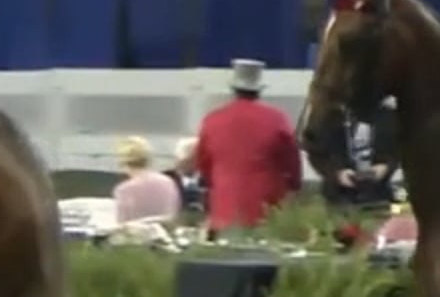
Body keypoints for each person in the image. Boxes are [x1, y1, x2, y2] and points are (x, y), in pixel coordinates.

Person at [194, 59, 303, 234]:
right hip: (265, 211)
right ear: (258, 91)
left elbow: (204, 166)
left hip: (223, 211)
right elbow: (292, 163)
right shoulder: (277, 120)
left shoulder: (212, 120)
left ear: (234, 90)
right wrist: (294, 187)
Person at [111, 135, 182, 225]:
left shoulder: (124, 190)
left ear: (122, 162)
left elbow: (123, 225)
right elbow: (174, 214)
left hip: (138, 237)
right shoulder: (169, 182)